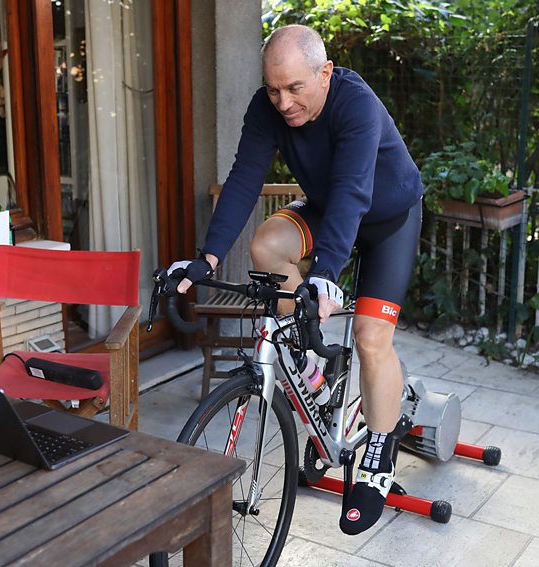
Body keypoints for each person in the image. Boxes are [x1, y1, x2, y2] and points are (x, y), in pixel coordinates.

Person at [168, 24, 423, 535]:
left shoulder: (356, 104)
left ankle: (378, 451)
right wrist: (208, 259)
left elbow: (353, 191)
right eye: (273, 89)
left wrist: (326, 275)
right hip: (329, 212)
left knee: (371, 338)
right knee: (267, 244)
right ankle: (311, 364)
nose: (283, 102)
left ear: (324, 72)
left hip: (389, 218)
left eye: (294, 89)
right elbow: (245, 177)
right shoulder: (267, 108)